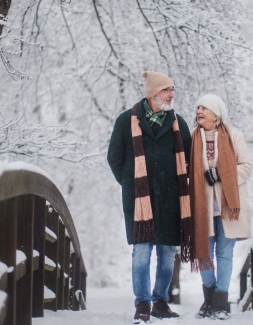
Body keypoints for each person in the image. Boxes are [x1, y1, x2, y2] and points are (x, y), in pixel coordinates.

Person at [107, 71, 192, 324]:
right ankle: (142, 303)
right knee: (141, 252)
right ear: (153, 94)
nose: (171, 95)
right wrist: (132, 185)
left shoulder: (179, 123)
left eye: (172, 90)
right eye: (167, 90)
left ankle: (160, 301)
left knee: (167, 254)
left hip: (170, 199)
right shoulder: (126, 121)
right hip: (139, 200)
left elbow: (189, 158)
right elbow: (115, 157)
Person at [189, 94, 252, 320]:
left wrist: (224, 175)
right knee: (204, 254)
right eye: (198, 107)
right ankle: (210, 301)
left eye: (204, 108)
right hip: (202, 209)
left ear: (216, 113)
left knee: (224, 254)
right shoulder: (192, 139)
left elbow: (247, 166)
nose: (199, 111)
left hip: (228, 208)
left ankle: (220, 305)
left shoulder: (234, 136)